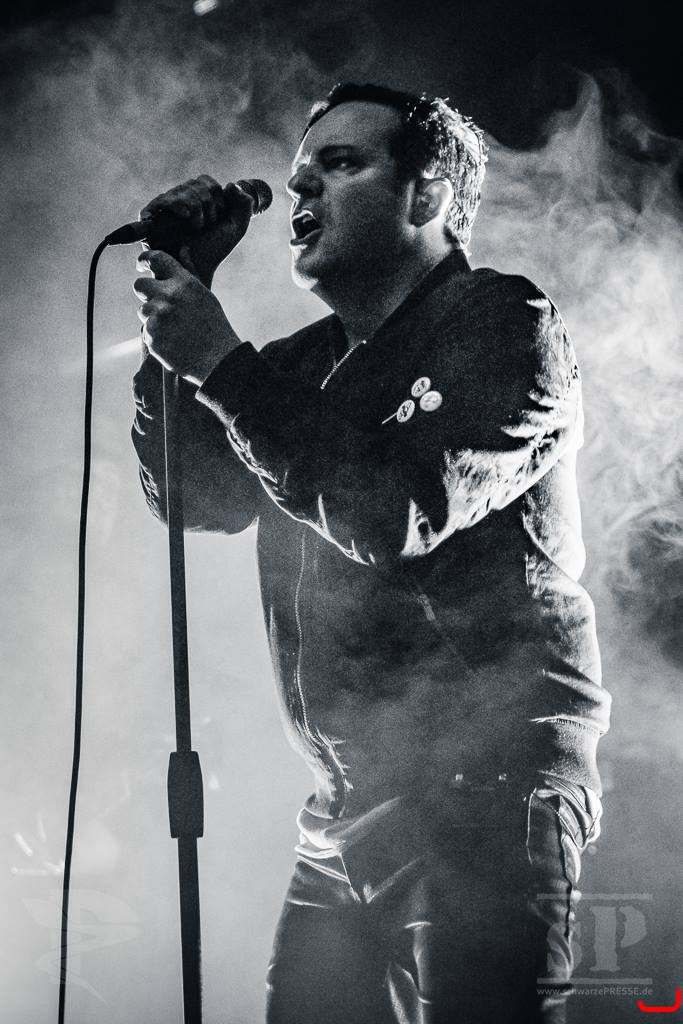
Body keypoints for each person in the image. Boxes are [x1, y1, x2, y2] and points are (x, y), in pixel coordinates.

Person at [131, 83, 611, 1023]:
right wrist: (174, 332)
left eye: (341, 164)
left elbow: (392, 512)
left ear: (428, 194)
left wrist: (221, 364)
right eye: (297, 175)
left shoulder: (503, 324)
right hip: (342, 812)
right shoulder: (302, 363)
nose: (301, 189)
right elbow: (192, 500)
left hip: (487, 790)